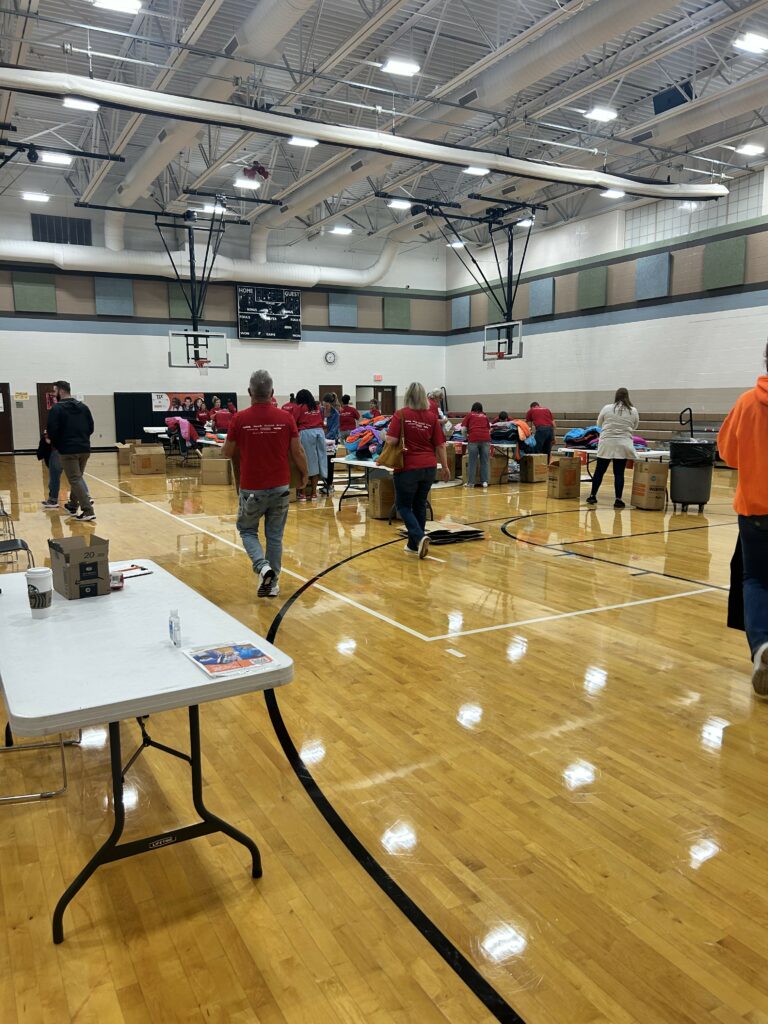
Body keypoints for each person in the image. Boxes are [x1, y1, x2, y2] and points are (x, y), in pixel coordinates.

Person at [222, 370, 308, 599]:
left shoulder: (239, 419)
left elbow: (227, 452)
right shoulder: (286, 418)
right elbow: (298, 451)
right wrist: (305, 474)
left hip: (252, 488)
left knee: (247, 530)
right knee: (275, 537)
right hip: (280, 487)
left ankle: (262, 566)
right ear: (272, 392)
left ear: (249, 392)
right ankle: (273, 584)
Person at [718, 342, 768, 694]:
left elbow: (728, 454)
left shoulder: (748, 402)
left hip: (756, 511)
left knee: (757, 580)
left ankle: (762, 645)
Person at [384, 382, 449, 559]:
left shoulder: (401, 414)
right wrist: (445, 467)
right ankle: (413, 545)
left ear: (407, 396)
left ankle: (419, 537)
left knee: (403, 506)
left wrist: (383, 435)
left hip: (408, 467)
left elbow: (391, 440)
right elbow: (440, 445)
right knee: (419, 504)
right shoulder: (432, 417)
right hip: (429, 467)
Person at [46, 380, 96, 522]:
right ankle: (73, 506)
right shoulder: (83, 407)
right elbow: (91, 427)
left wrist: (57, 444)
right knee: (77, 477)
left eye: (55, 391)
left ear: (61, 391)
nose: (53, 394)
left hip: (68, 450)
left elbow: (52, 430)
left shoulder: (56, 409)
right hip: (84, 448)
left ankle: (88, 511)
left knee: (74, 479)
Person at [586, 388, 639, 509]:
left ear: (616, 396)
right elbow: (635, 426)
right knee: (619, 473)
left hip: (607, 443)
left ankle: (593, 496)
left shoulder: (607, 408)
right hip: (623, 444)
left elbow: (599, 424)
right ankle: (618, 499)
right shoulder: (633, 410)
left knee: (599, 471)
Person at [293, 389, 327, 502]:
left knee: (305, 462)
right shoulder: (316, 407)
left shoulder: (300, 407)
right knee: (318, 461)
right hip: (320, 433)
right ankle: (314, 493)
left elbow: (293, 422)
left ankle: (303, 493)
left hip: (306, 433)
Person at [461, 402, 492, 488]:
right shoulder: (485, 416)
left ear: (472, 408)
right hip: (486, 439)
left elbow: (463, 429)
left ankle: (471, 483)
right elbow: (488, 429)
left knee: (472, 461)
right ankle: (485, 482)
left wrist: (466, 437)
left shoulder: (469, 415)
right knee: (485, 461)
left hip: (473, 439)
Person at [321, 393, 340, 495]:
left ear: (331, 404)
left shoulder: (335, 414)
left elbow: (334, 429)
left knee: (330, 462)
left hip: (331, 441)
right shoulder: (320, 411)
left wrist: (326, 438)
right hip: (321, 439)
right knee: (322, 462)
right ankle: (324, 482)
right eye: (324, 405)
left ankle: (329, 484)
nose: (325, 407)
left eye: (327, 406)